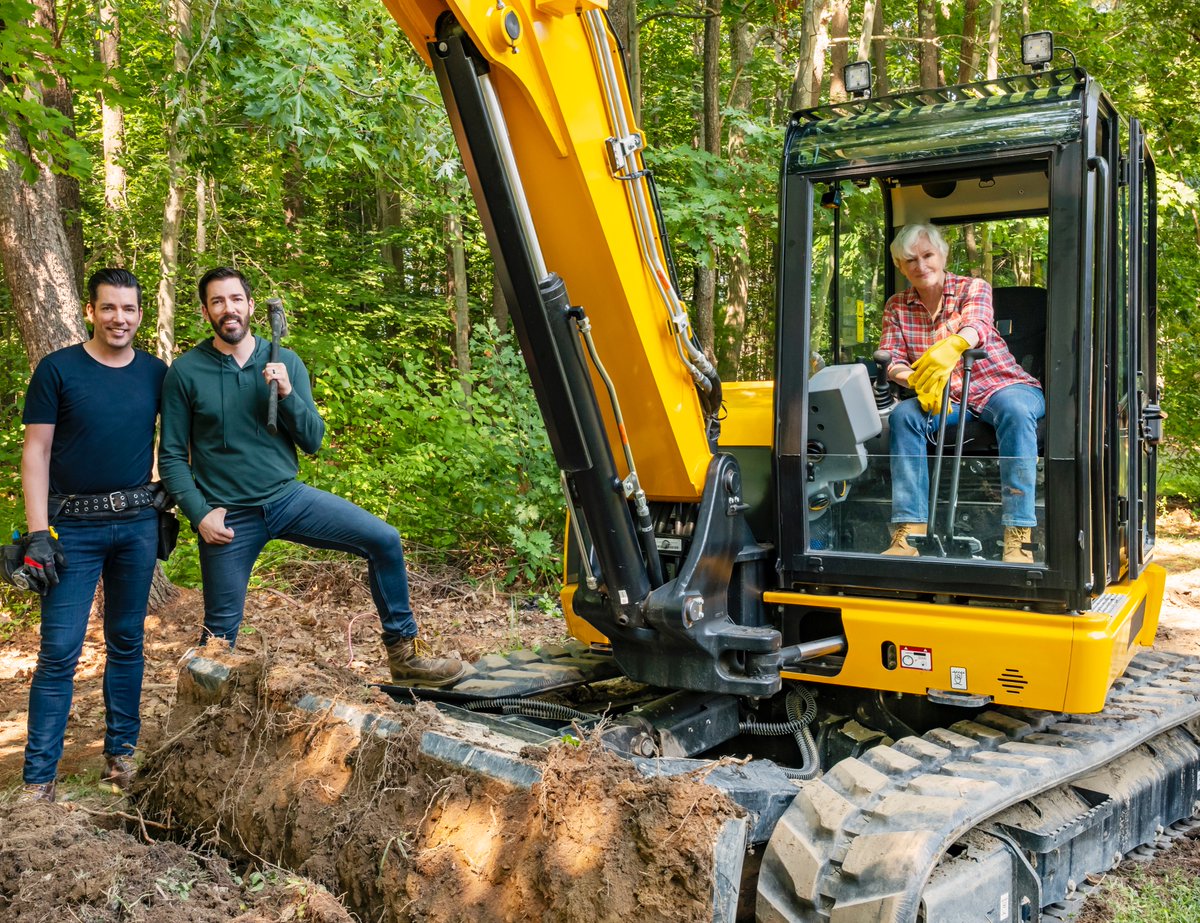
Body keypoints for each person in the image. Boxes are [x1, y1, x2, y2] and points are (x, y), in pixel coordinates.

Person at [157, 267, 463, 686]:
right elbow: (172, 456)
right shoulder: (186, 372)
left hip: (287, 499)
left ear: (250, 305)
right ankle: (199, 728)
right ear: (206, 311)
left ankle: (405, 657)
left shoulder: (285, 360)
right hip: (228, 519)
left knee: (384, 540)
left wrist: (286, 395)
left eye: (235, 299)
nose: (228, 309)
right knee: (219, 637)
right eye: (217, 301)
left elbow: (313, 440)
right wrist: (200, 514)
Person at [19, 268, 168, 803]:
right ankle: (39, 780)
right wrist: (38, 534)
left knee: (127, 641)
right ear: (91, 311)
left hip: (136, 525)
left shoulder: (156, 372)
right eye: (109, 308)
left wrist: (169, 500)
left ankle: (120, 756)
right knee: (59, 651)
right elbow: (35, 453)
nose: (119, 318)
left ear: (140, 314)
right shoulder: (57, 369)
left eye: (128, 309)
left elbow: (175, 443)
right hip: (72, 530)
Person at [878, 224, 1045, 563]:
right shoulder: (897, 306)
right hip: (950, 398)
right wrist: (914, 380)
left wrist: (955, 343)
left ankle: (1018, 536)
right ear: (900, 266)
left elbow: (978, 325)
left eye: (927, 255)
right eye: (910, 260)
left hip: (1002, 385)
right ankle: (909, 532)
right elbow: (891, 357)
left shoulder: (973, 287)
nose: (921, 265)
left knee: (1014, 410)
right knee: (904, 416)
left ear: (943, 255)